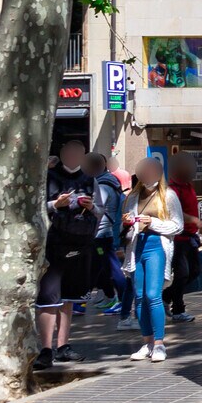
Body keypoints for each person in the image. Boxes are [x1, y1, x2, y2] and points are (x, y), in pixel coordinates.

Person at [35, 139, 99, 370]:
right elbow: (36, 207)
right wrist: (55, 204)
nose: (72, 157)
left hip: (79, 245)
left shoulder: (91, 180)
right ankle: (45, 348)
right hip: (53, 244)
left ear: (83, 156)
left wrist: (91, 207)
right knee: (48, 298)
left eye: (77, 153)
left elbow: (101, 212)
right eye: (68, 153)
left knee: (69, 298)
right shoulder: (48, 178)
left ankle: (63, 346)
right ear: (61, 155)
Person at [123, 156, 183, 363]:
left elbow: (178, 225)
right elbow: (127, 225)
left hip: (157, 246)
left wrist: (153, 223)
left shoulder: (168, 195)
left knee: (152, 295)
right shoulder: (133, 196)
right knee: (139, 296)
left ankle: (159, 344)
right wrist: (128, 223)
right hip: (136, 246)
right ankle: (147, 342)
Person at [165, 154, 201, 323]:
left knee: (194, 272)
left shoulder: (189, 186)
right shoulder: (172, 190)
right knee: (182, 274)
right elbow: (175, 212)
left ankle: (166, 295)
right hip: (178, 239)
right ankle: (178, 309)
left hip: (190, 238)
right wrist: (194, 220)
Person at [94, 155, 132, 317]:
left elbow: (97, 210)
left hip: (102, 233)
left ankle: (122, 300)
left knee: (111, 266)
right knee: (103, 266)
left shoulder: (102, 186)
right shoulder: (111, 183)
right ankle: (111, 296)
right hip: (107, 233)